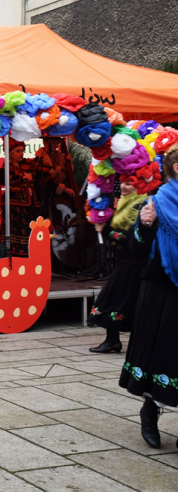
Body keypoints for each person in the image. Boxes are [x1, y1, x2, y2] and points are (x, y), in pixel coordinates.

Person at [119, 143, 178, 450]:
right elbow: (137, 251)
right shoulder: (158, 201)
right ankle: (150, 410)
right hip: (161, 289)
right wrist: (144, 225)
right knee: (161, 353)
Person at [88, 180, 147, 353]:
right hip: (125, 262)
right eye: (122, 182)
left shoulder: (141, 206)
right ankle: (113, 340)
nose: (123, 186)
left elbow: (130, 239)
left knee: (112, 298)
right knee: (125, 302)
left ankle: (114, 340)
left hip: (135, 263)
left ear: (139, 186)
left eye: (129, 183)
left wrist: (105, 230)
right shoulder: (125, 203)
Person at [0, 141, 39, 256]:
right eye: (18, 151)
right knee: (15, 227)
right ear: (10, 154)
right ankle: (15, 253)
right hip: (15, 203)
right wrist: (22, 178)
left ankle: (29, 252)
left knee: (29, 228)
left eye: (22, 151)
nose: (21, 154)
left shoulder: (26, 165)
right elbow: (3, 179)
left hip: (31, 203)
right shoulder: (6, 166)